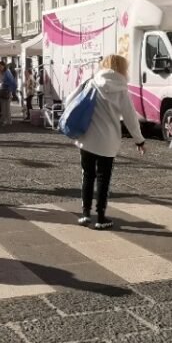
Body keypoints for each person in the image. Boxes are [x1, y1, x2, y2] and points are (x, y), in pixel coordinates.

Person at [74, 54, 148, 230]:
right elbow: (130, 118)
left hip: (87, 138)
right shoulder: (122, 90)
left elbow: (72, 100)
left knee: (87, 175)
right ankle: (100, 217)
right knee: (103, 179)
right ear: (122, 68)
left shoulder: (91, 82)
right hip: (108, 140)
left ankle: (85, 214)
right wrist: (139, 141)